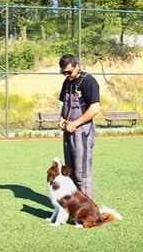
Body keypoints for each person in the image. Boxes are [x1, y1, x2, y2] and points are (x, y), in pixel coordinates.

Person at [58, 54, 100, 199]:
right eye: (63, 72)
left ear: (77, 66)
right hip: (68, 131)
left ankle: (88, 212)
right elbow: (65, 104)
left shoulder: (89, 82)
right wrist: (62, 119)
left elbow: (94, 109)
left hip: (81, 132)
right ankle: (74, 208)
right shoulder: (67, 82)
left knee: (82, 173)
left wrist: (75, 124)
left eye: (69, 72)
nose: (66, 75)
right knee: (69, 171)